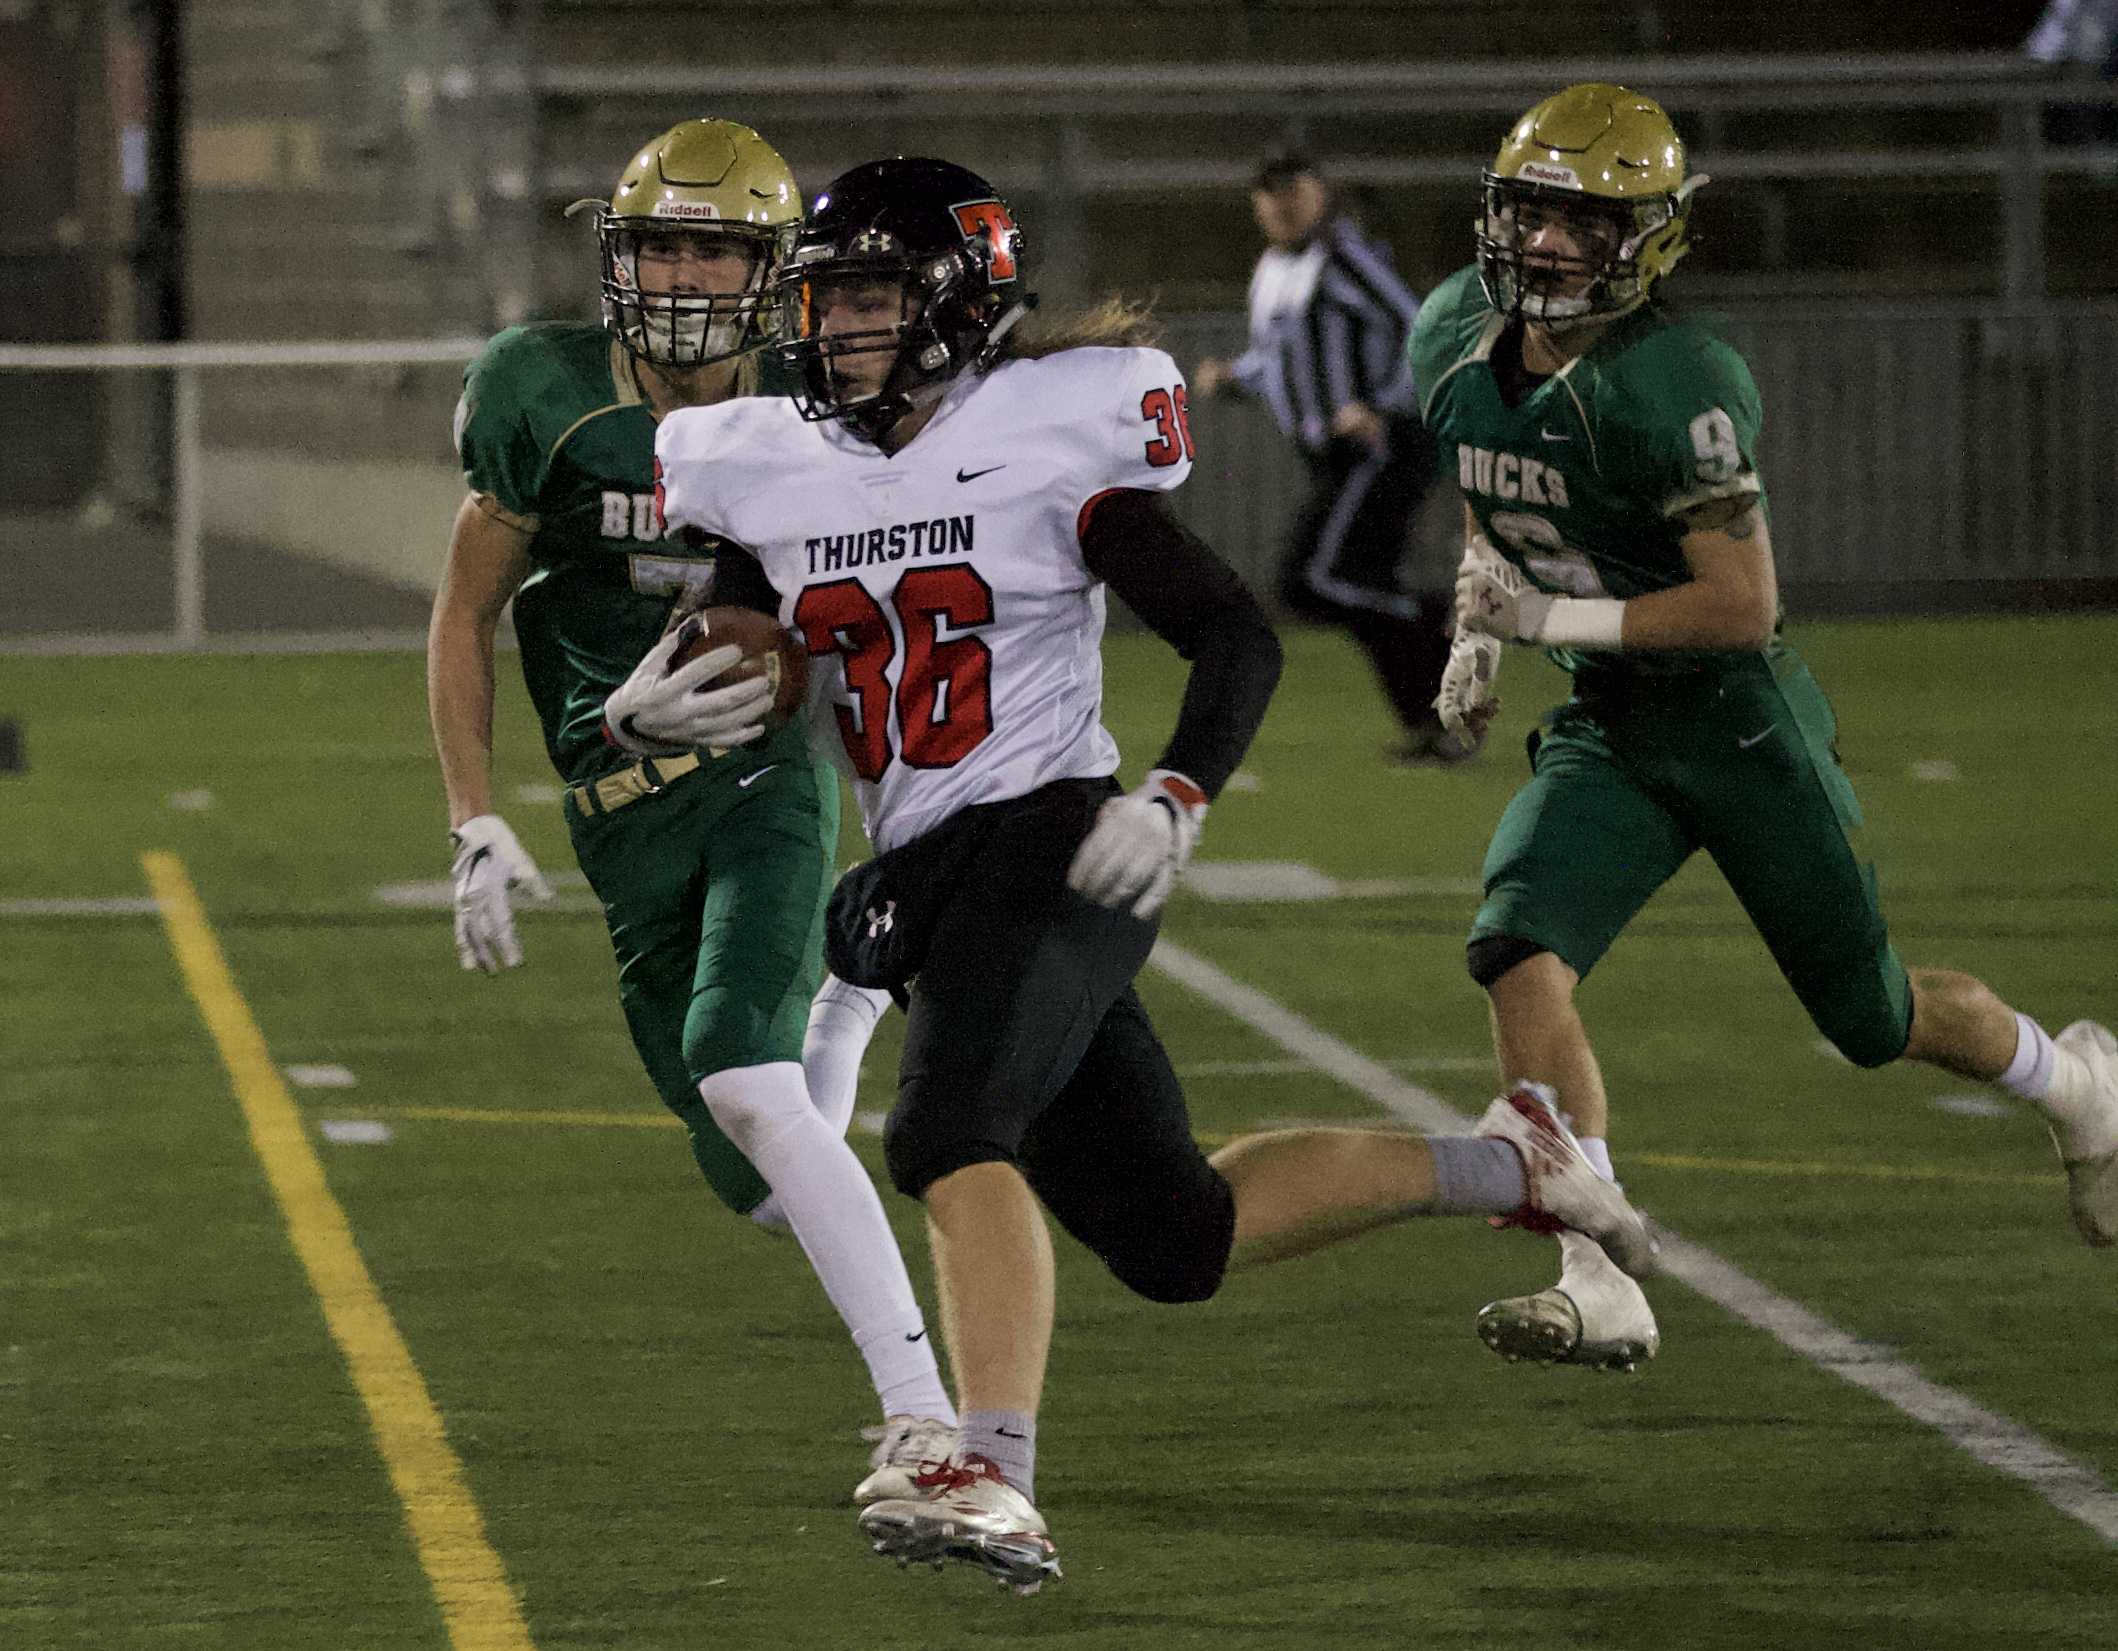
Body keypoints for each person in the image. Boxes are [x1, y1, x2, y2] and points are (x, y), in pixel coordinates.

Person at [654, 156, 1659, 1594]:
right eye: (831, 299)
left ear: (957, 300)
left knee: (945, 1131)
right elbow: (743, 622)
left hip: (1056, 832)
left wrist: (1176, 791)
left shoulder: (1051, 433)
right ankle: (1517, 1161)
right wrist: (669, 688)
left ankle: (986, 1467)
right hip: (930, 858)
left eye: (875, 296)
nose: (841, 328)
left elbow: (1232, 634)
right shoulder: (778, 462)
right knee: (1176, 1233)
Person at [1417, 82, 2118, 1376]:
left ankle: (2070, 1078)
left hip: (1737, 728)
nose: (1545, 245)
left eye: (1583, 221)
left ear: (1651, 239)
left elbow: (1740, 607)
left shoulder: (1675, 377)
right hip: (1612, 728)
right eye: (1530, 211)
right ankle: (1594, 1271)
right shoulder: (1453, 333)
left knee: (1870, 1014)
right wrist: (1477, 630)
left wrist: (1541, 624)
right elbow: (1491, 487)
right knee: (1516, 942)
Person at [425, 118, 960, 1499]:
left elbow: (899, 580)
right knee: (762, 1173)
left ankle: (927, 1420)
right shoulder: (537, 391)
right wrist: (474, 813)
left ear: (771, 268)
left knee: (736, 1062)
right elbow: (464, 611)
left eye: (712, 247)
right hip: (614, 798)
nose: (678, 272)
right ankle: (850, 994)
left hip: (759, 766)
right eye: (657, 240)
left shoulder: (821, 393)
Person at [1193, 152, 1464, 762]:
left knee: (1314, 578)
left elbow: (1418, 326)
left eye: (1295, 191)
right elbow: (1281, 357)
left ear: (1322, 195)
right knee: (1356, 582)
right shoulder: (1271, 269)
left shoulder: (1346, 256)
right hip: (1335, 456)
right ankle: (1438, 720)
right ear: (1255, 204)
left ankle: (1434, 626)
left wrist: (1384, 405)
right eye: (1269, 193)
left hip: (1378, 447)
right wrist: (1234, 376)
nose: (1282, 203)